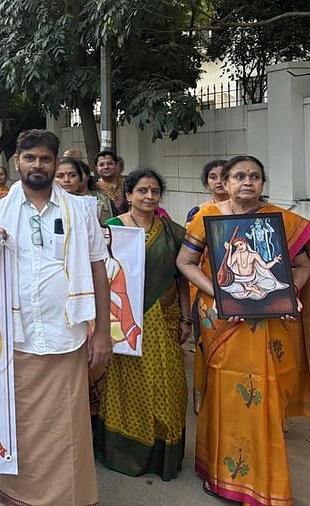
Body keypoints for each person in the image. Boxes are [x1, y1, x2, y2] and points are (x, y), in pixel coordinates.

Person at [176, 155, 310, 505]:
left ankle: (264, 483)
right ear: (223, 183)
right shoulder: (207, 218)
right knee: (224, 394)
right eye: (239, 176)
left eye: (255, 176)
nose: (247, 182)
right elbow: (185, 262)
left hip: (269, 322)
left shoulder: (280, 220)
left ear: (262, 182)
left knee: (264, 397)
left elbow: (302, 264)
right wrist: (219, 293)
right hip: (222, 321)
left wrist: (290, 293)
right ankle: (217, 473)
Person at [0, 129, 111, 506]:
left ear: (56, 163)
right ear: (17, 162)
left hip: (65, 335)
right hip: (16, 338)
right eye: (30, 158)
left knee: (66, 430)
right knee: (20, 426)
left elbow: (98, 269)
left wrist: (102, 331)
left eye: (45, 159)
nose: (37, 165)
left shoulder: (81, 210)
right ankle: (18, 496)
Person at [94, 169, 190, 481]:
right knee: (127, 385)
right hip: (125, 321)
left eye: (154, 191)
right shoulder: (112, 230)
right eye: (142, 191)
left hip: (164, 318)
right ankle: (128, 452)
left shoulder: (174, 232)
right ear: (129, 195)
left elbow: (183, 279)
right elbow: (101, 277)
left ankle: (163, 452)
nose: (149, 197)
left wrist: (187, 318)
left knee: (168, 384)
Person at [55, 157, 114, 223]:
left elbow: (106, 231)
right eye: (59, 176)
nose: (66, 180)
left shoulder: (94, 205)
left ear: (80, 178)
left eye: (73, 175)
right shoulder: (44, 205)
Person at [186, 159, 228, 226]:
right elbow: (190, 235)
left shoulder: (244, 209)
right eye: (213, 177)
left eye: (223, 176)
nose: (219, 181)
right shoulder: (198, 211)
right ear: (207, 182)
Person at [94, 150, 128, 215]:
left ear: (116, 165)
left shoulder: (127, 184)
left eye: (110, 163)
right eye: (101, 165)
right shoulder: (94, 188)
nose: (106, 167)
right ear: (96, 168)